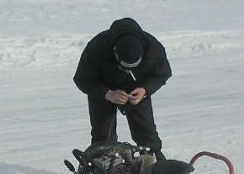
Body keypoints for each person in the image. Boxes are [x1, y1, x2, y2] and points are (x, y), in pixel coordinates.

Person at [73, 17, 172, 159]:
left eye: (132, 68)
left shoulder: (153, 49)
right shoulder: (97, 47)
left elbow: (162, 74)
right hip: (103, 89)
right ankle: (104, 166)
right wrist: (107, 94)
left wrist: (145, 90)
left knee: (146, 134)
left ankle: (154, 164)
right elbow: (82, 78)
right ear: (115, 52)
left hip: (136, 91)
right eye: (123, 67)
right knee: (103, 136)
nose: (127, 71)